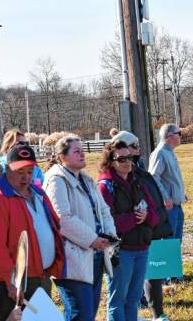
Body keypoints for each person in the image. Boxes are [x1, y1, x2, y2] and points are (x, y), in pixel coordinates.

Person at [0, 144, 65, 321]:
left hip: (41, 274)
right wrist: (12, 281)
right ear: (7, 169)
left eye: (30, 171)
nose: (26, 177)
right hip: (16, 282)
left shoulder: (38, 193)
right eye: (20, 172)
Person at [43, 135, 117, 321]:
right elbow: (62, 218)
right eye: (76, 151)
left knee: (89, 313)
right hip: (71, 259)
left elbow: (103, 210)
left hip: (95, 254)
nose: (82, 154)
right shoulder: (56, 180)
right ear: (63, 156)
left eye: (82, 149)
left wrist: (109, 236)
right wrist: (92, 240)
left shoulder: (86, 179)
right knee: (80, 314)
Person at [113, 131, 174, 321]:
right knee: (125, 291)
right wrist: (142, 218)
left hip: (152, 228)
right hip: (133, 238)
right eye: (135, 147)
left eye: (137, 147)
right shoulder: (120, 179)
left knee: (154, 274)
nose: (138, 151)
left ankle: (158, 312)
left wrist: (157, 218)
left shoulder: (140, 171)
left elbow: (153, 197)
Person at [97, 141, 159, 321]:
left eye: (130, 157)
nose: (127, 162)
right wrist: (134, 217)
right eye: (121, 158)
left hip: (142, 248)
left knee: (133, 300)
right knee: (117, 299)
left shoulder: (138, 183)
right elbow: (109, 224)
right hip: (120, 251)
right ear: (110, 161)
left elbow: (155, 216)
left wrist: (146, 216)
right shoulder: (104, 186)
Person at [148, 124, 186, 242]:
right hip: (168, 207)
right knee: (169, 240)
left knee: (176, 239)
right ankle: (170, 261)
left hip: (176, 204)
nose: (180, 136)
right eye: (178, 133)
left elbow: (170, 178)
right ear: (169, 136)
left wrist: (180, 193)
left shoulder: (169, 152)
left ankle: (175, 261)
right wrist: (165, 197)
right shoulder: (160, 153)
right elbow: (153, 177)